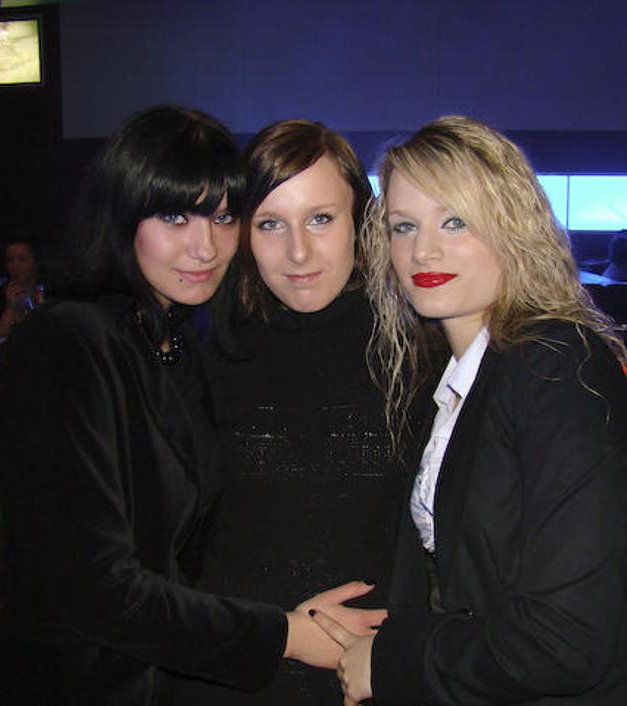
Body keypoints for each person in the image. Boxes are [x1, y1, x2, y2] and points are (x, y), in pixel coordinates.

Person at [0, 105, 381, 706]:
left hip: (159, 675)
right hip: (71, 681)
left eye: (222, 217)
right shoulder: (63, 342)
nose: (204, 246)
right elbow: (90, 586)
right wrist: (286, 635)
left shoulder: (173, 343)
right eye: (173, 216)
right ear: (121, 216)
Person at [311, 116, 627, 705]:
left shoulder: (555, 365)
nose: (423, 249)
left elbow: (563, 641)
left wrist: (393, 660)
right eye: (404, 226)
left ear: (513, 226)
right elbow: (461, 577)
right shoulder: (453, 374)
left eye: (454, 220)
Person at [175, 120, 431, 706]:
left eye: (320, 218)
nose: (298, 252)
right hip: (241, 669)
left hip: (373, 669)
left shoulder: (417, 347)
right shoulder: (206, 352)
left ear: (361, 221)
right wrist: (279, 632)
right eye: (270, 223)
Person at [0, 238, 41, 339]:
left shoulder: (46, 293)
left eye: (22, 259)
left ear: (35, 262)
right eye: (10, 260)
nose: (15, 266)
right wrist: (10, 308)